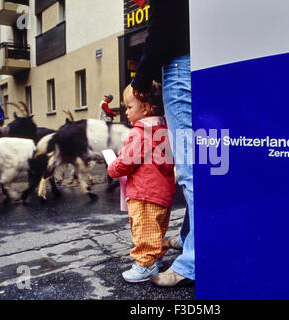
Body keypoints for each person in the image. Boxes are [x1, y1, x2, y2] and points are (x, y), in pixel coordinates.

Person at [131, 0, 194, 287]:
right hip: (194, 60)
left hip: (180, 65)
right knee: (199, 161)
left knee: (191, 168)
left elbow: (164, 22)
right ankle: (186, 238)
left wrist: (142, 76)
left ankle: (193, 262)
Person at [108, 82, 175, 283]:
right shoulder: (164, 128)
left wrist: (112, 167)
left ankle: (145, 264)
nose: (126, 112)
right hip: (162, 191)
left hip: (144, 192)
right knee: (157, 227)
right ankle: (157, 255)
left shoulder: (140, 133)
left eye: (129, 107)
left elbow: (126, 162)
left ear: (145, 108)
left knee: (144, 229)